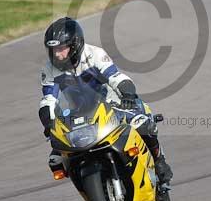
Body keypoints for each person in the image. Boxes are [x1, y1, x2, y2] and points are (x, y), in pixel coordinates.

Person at [38, 17, 173, 183]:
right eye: (53, 50)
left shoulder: (95, 54)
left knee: (143, 123)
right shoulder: (48, 69)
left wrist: (127, 94)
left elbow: (115, 77)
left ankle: (159, 161)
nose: (57, 54)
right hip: (77, 113)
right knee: (56, 160)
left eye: (61, 48)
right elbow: (49, 99)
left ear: (75, 44)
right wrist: (48, 121)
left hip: (111, 103)